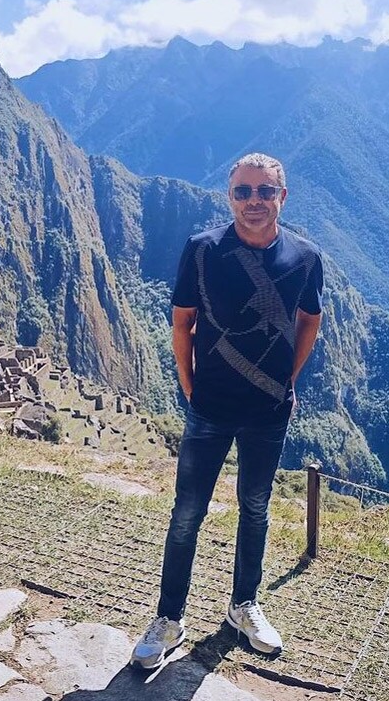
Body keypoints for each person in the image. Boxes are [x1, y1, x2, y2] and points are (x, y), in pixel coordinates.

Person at [130, 153, 324, 670]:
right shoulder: (203, 251)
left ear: (282, 197)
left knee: (255, 509)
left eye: (265, 191)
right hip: (210, 407)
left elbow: (311, 320)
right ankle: (169, 618)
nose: (254, 201)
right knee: (187, 514)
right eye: (243, 191)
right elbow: (182, 323)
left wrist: (289, 379)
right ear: (229, 196)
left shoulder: (305, 257)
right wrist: (189, 384)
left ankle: (244, 606)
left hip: (267, 410)